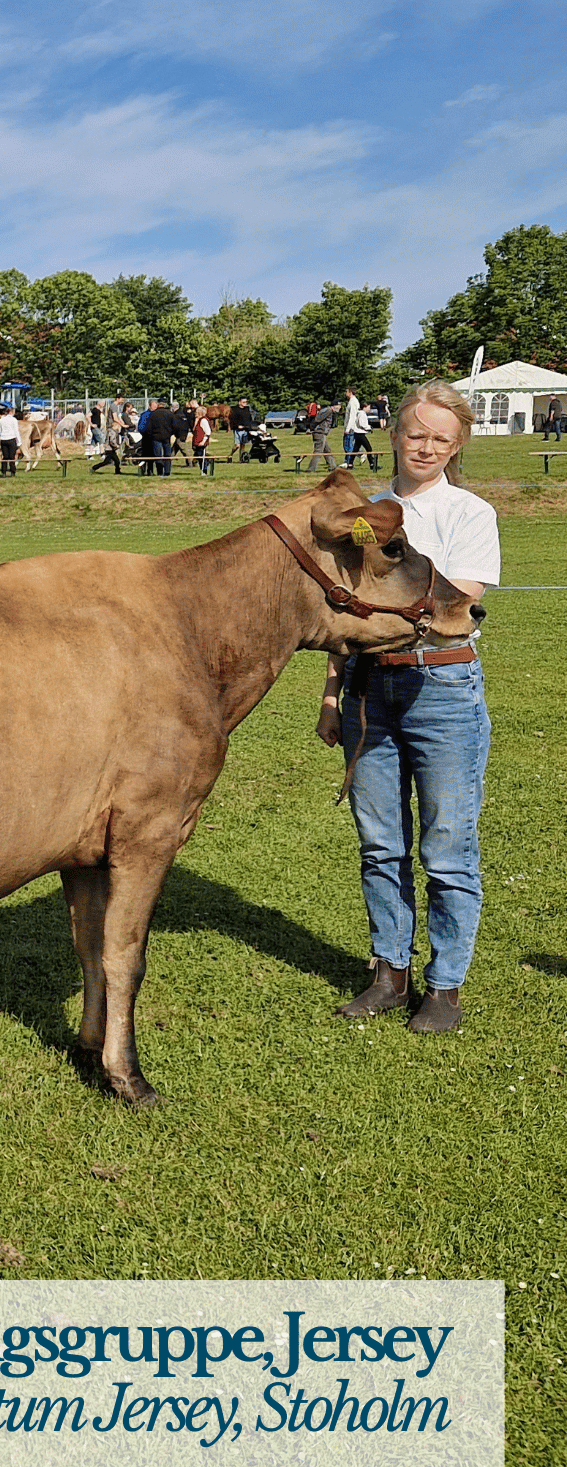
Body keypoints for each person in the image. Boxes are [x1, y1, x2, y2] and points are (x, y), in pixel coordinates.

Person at [316, 380, 497, 1034]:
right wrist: (332, 694)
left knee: (447, 848)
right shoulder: (366, 515)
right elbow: (348, 613)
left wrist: (386, 585)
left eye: (441, 439)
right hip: (370, 689)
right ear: (394, 434)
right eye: (416, 433)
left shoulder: (470, 513)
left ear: (457, 446)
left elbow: (454, 606)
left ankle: (444, 986)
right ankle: (389, 973)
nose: (426, 447)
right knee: (380, 844)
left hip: (441, 690)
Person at [306, 400, 338, 473]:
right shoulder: (328, 410)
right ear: (334, 406)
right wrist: (311, 428)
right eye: (338, 406)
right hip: (320, 432)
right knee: (318, 451)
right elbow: (317, 419)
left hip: (322, 433)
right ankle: (311, 469)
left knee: (327, 450)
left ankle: (332, 467)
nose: (340, 407)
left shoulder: (330, 411)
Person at [343, 388, 371, 468]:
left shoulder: (353, 402)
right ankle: (350, 462)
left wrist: (348, 428)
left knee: (349, 446)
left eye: (346, 392)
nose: (345, 393)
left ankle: (348, 462)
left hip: (351, 428)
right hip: (349, 427)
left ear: (350, 392)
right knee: (353, 446)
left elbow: (352, 416)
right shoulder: (351, 402)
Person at [190, 402, 214, 476]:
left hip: (201, 442)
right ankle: (203, 468)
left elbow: (208, 432)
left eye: (196, 412)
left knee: (201, 457)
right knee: (198, 456)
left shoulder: (203, 420)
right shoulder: (197, 420)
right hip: (196, 441)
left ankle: (205, 470)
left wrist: (203, 441)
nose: (195, 413)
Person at [0, 404, 20, 476]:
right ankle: (13, 471)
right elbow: (16, 431)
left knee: (5, 456)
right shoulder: (14, 420)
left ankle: (3, 471)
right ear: (11, 412)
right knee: (12, 456)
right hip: (11, 438)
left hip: (3, 439)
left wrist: (2, 436)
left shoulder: (1, 420)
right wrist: (19, 442)